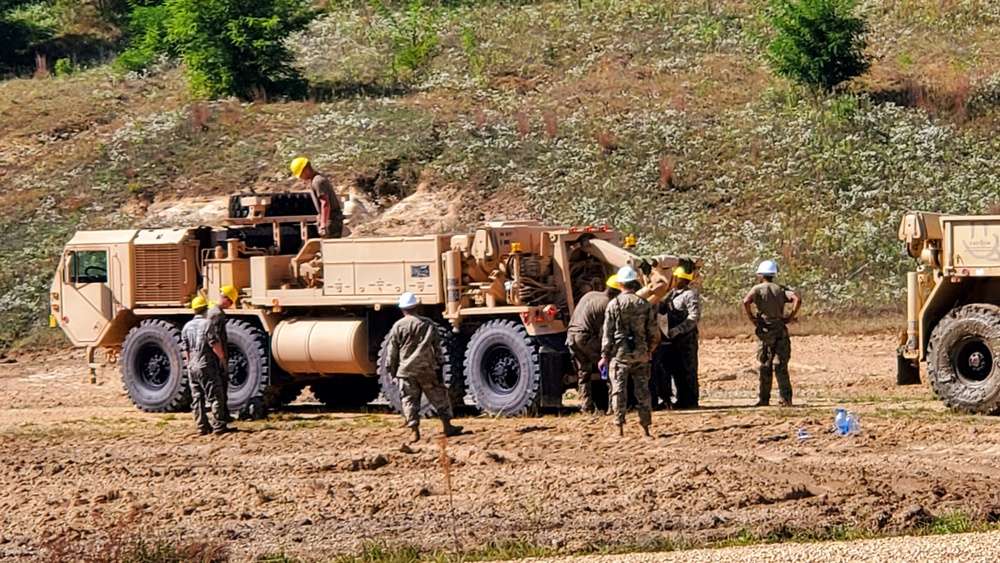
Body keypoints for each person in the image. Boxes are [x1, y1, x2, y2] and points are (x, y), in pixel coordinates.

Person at [385, 292, 464, 443]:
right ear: (417, 307)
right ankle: (447, 426)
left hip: (406, 371)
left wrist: (392, 371)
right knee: (439, 397)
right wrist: (440, 365)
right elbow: (438, 348)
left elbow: (392, 353)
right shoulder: (427, 324)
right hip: (427, 369)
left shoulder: (397, 327)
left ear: (403, 310)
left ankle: (414, 431)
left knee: (409, 400)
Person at [599, 266, 660, 437]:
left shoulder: (614, 305)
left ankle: (619, 428)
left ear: (620, 284)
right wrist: (649, 350)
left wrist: (604, 355)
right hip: (641, 354)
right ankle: (646, 428)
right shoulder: (644, 304)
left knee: (618, 390)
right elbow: (653, 332)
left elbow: (607, 333)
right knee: (643, 391)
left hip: (620, 355)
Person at [743, 260, 802, 407]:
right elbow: (797, 299)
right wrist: (790, 316)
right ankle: (786, 399)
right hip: (780, 328)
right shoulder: (780, 289)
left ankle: (764, 399)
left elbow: (746, 301)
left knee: (764, 364)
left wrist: (751, 317)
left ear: (761, 275)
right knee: (781, 365)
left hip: (765, 330)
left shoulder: (757, 289)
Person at [566, 274, 621, 415]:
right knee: (609, 367)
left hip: (571, 337)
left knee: (583, 373)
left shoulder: (591, 295)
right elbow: (605, 334)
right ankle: (612, 407)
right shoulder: (607, 305)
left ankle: (586, 407)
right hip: (585, 338)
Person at [181, 296, 230, 435]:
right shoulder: (207, 324)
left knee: (197, 397)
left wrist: (189, 363)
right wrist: (222, 359)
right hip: (206, 365)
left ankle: (201, 427)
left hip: (192, 366)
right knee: (215, 395)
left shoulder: (186, 327)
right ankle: (219, 426)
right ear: (206, 309)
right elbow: (214, 343)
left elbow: (186, 349)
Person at [658, 266, 702, 409]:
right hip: (671, 340)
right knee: (675, 369)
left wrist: (678, 330)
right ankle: (678, 398)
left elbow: (694, 317)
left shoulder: (689, 295)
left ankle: (690, 400)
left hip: (686, 341)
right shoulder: (671, 294)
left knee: (688, 369)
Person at [289, 157, 343, 238]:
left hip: (331, 220)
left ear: (306, 169)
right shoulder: (317, 178)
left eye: (301, 174)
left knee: (329, 248)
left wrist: (323, 225)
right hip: (331, 219)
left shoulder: (318, 182)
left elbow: (325, 203)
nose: (300, 177)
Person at [206, 285, 237, 426]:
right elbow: (216, 337)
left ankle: (224, 414)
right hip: (216, 356)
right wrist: (222, 357)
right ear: (226, 300)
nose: (230, 306)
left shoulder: (211, 311)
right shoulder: (218, 314)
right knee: (221, 385)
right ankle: (222, 416)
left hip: (212, 355)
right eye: (231, 302)